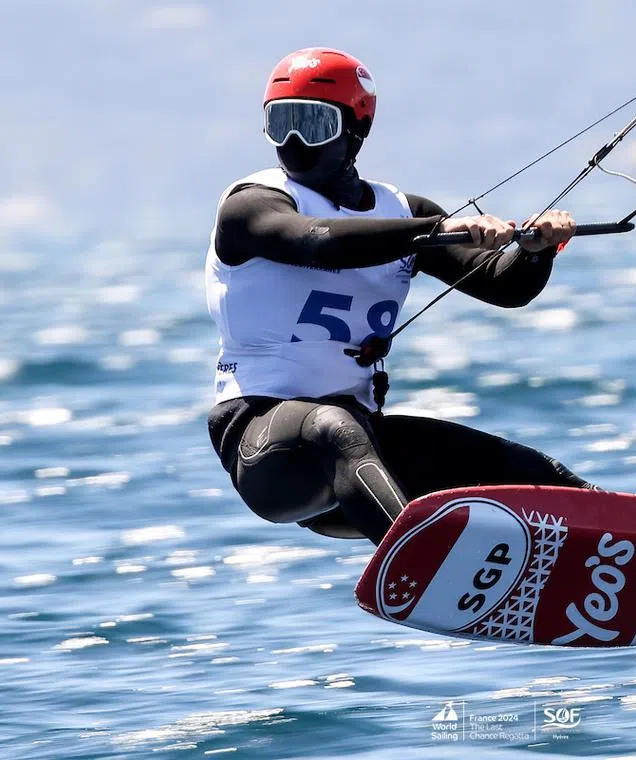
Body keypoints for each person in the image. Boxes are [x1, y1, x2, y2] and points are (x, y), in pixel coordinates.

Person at [205, 48, 596, 545]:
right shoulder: (252, 204)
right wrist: (438, 229)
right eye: (280, 122)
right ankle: (427, 563)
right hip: (265, 447)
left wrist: (537, 250)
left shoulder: (401, 210)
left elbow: (505, 286)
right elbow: (319, 242)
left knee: (515, 467)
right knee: (333, 426)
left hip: (361, 460)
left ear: (356, 126)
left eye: (312, 121)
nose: (294, 140)